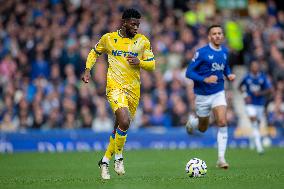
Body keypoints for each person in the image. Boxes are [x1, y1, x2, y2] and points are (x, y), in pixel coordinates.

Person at [81, 8, 155, 180]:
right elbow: (94, 52)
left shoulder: (143, 41)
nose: (136, 27)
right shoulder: (109, 39)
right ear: (124, 22)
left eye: (138, 24)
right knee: (124, 120)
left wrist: (140, 62)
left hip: (133, 90)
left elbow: (152, 64)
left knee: (120, 128)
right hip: (114, 87)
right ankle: (119, 158)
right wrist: (87, 70)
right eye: (133, 24)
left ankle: (105, 160)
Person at [185, 25, 235, 169]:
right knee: (203, 128)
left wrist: (229, 74)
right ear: (209, 37)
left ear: (223, 36)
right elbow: (189, 73)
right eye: (214, 33)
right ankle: (192, 123)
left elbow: (225, 67)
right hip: (202, 95)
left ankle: (221, 158)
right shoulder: (202, 53)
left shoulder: (225, 52)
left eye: (220, 33)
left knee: (222, 121)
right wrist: (204, 79)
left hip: (218, 92)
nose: (217, 36)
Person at [238, 60, 272, 154]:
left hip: (260, 104)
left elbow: (269, 90)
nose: (255, 68)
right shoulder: (247, 77)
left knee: (257, 123)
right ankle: (259, 147)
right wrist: (245, 95)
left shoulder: (262, 77)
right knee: (254, 121)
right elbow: (239, 86)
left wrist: (260, 93)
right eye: (253, 66)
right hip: (250, 104)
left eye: (257, 66)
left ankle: (253, 139)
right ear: (251, 67)